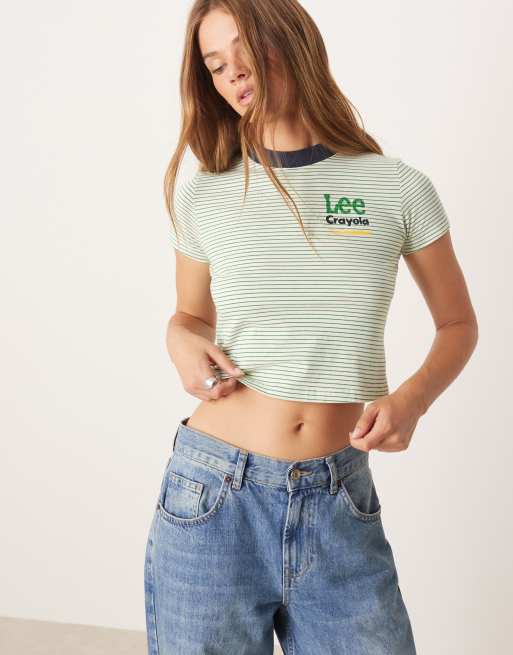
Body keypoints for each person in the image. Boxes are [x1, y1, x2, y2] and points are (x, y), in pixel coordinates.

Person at [144, 1, 479, 654]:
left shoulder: (395, 188)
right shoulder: (207, 191)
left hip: (338, 499)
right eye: (215, 65)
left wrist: (411, 400)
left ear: (292, 42)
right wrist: (176, 337)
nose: (234, 74)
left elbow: (457, 323)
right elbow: (190, 316)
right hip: (212, 493)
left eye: (244, 50)